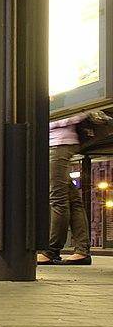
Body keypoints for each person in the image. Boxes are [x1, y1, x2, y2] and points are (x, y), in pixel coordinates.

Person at [39, 113, 96, 265]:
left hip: (59, 143)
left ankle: (51, 251)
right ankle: (82, 251)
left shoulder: (64, 95)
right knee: (73, 200)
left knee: (58, 198)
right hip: (55, 144)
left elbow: (78, 114)